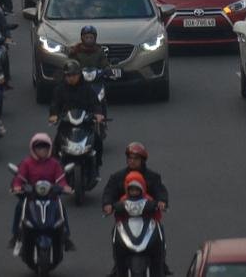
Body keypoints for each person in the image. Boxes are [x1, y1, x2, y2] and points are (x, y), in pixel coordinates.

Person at [101, 141, 172, 276]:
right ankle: (118, 265)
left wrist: (162, 201)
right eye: (130, 158)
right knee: (115, 236)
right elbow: (109, 192)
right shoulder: (117, 177)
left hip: (149, 218)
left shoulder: (153, 177)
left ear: (143, 160)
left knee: (160, 234)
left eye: (136, 158)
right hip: (124, 219)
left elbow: (160, 191)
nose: (132, 161)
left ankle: (161, 263)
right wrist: (107, 204)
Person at [10, 133, 74, 251]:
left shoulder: (54, 163)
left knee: (61, 208)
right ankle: (15, 235)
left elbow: (61, 179)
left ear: (49, 148)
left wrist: (65, 187)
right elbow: (19, 178)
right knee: (19, 207)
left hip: (50, 195)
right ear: (33, 149)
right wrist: (17, 187)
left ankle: (66, 237)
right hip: (31, 195)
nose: (42, 150)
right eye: (39, 147)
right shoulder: (26, 163)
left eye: (45, 147)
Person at [49, 60, 105, 167]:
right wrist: (54, 115)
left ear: (79, 74)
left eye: (74, 75)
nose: (71, 78)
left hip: (85, 122)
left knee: (97, 140)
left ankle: (97, 163)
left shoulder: (87, 88)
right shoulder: (59, 89)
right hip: (66, 123)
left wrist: (98, 114)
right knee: (56, 142)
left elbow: (95, 103)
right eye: (68, 75)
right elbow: (55, 104)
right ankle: (55, 168)